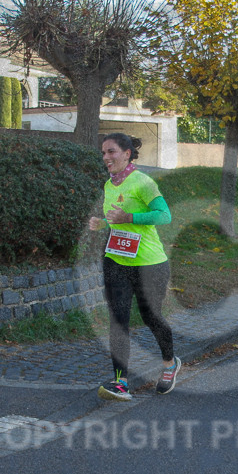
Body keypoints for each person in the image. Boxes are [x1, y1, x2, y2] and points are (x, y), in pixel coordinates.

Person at [88, 133, 180, 401]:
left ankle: (169, 364)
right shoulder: (110, 185)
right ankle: (121, 383)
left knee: (151, 316)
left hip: (149, 263)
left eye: (111, 152)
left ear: (127, 153)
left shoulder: (143, 182)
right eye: (103, 152)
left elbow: (165, 215)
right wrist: (103, 223)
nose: (106, 157)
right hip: (116, 258)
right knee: (118, 320)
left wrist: (130, 217)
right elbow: (114, 218)